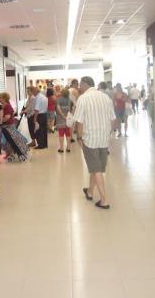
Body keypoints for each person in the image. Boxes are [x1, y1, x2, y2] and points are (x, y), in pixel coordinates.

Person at [74, 76, 116, 209]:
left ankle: (104, 201)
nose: (79, 88)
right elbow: (113, 119)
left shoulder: (83, 98)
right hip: (103, 139)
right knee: (95, 167)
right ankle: (90, 192)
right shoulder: (105, 97)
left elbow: (79, 121)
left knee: (96, 169)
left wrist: (79, 138)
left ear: (85, 84)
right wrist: (108, 132)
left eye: (80, 85)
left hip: (90, 139)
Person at [56, 88, 73, 153]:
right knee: (68, 133)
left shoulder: (59, 99)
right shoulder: (69, 100)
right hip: (68, 118)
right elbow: (73, 107)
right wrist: (69, 115)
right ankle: (68, 147)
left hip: (61, 118)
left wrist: (63, 116)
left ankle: (61, 148)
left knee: (61, 133)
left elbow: (58, 109)